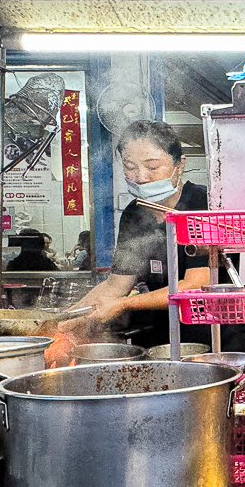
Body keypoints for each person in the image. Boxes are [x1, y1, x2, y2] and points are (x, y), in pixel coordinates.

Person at [58, 120, 212, 347]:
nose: (141, 176)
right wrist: (65, 319)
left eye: (152, 167)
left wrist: (124, 304)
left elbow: (196, 284)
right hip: (159, 336)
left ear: (179, 165)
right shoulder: (133, 213)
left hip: (212, 333)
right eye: (130, 166)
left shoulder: (203, 204)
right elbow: (116, 285)